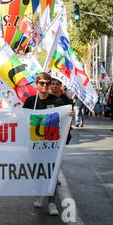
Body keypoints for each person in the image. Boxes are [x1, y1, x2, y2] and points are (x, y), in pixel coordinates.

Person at [23, 72, 74, 216]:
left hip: (52, 144)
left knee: (50, 172)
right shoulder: (30, 101)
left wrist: (70, 117)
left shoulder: (58, 102)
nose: (45, 86)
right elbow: (22, 120)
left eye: (47, 83)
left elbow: (64, 121)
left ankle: (51, 202)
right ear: (37, 84)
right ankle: (39, 194)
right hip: (35, 144)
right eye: (42, 83)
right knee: (38, 171)